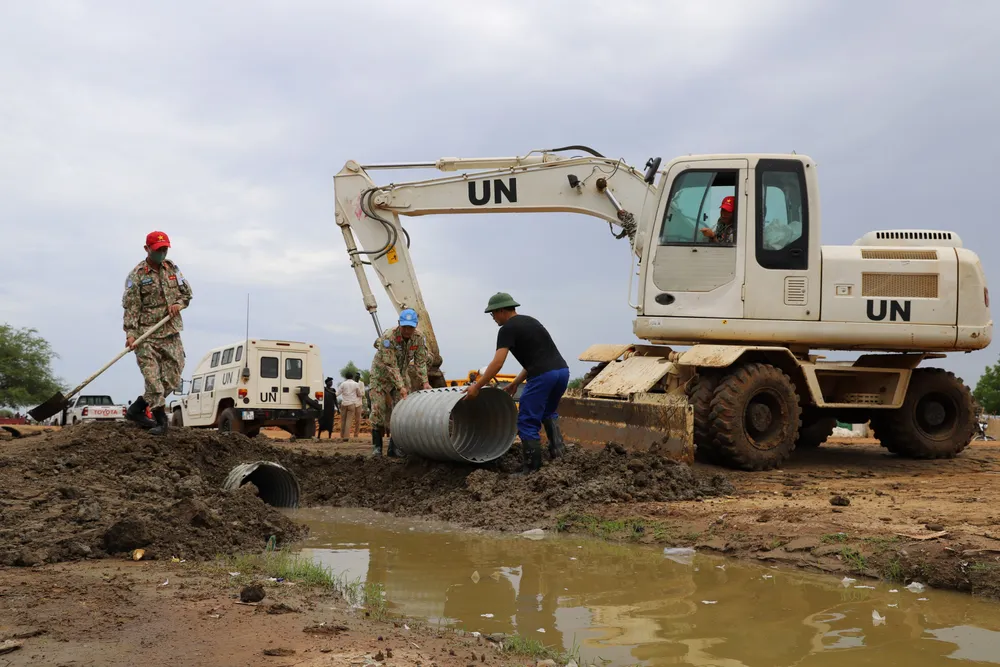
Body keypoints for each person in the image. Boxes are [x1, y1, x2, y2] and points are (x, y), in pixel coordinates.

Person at [463, 293, 568, 473]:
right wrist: (516, 382)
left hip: (543, 376)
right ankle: (558, 453)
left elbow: (497, 362)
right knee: (548, 412)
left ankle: (531, 468)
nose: (493, 318)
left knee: (527, 420)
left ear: (502, 310)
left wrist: (476, 386)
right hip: (561, 372)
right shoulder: (531, 321)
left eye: (493, 314)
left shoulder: (506, 329)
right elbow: (537, 357)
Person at [122, 230, 193, 435]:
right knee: (153, 380)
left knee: (172, 378)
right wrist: (130, 334)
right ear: (147, 249)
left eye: (164, 249)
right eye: (158, 249)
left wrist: (178, 304)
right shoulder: (137, 275)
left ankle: (137, 409)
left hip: (170, 332)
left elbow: (187, 294)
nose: (162, 253)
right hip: (146, 335)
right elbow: (131, 307)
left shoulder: (172, 269)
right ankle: (161, 420)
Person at [368, 308, 431, 457]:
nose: (407, 330)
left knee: (401, 411)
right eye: (405, 327)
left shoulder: (419, 338)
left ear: (415, 326)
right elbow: (391, 366)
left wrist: (425, 382)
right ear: (399, 324)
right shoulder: (388, 338)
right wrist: (401, 386)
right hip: (381, 377)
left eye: (411, 327)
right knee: (378, 411)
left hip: (401, 375)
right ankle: (377, 448)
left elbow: (420, 361)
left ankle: (395, 448)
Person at [337, 372, 364, 441]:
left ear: (346, 377)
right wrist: (360, 395)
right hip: (352, 404)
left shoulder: (343, 384)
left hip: (344, 404)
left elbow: (337, 393)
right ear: (352, 377)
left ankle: (342, 435)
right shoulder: (355, 384)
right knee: (348, 421)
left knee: (343, 420)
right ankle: (346, 436)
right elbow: (359, 394)